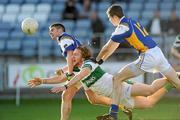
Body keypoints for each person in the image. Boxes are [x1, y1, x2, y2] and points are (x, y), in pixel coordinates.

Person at [43, 46, 179, 119]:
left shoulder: (89, 63)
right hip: (118, 99)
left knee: (150, 90)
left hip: (120, 88)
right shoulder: (75, 71)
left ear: (83, 57)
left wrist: (66, 85)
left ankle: (175, 76)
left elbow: (81, 75)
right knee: (149, 103)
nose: (73, 56)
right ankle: (172, 80)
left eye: (76, 54)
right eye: (73, 55)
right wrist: (43, 81)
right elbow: (62, 77)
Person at [95, 4, 180, 120]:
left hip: (148, 56)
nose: (110, 21)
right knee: (177, 82)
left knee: (117, 78)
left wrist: (96, 60)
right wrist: (102, 60)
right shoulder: (132, 21)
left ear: (114, 16)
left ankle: (113, 114)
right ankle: (177, 75)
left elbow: (106, 47)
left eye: (110, 18)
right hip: (158, 52)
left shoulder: (122, 27)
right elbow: (114, 46)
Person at [40, 23, 117, 120]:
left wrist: (69, 73)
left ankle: (116, 103)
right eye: (49, 30)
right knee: (93, 99)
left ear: (60, 30)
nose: (50, 32)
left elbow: (70, 55)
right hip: (83, 67)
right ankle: (116, 104)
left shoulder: (63, 39)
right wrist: (64, 69)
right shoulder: (66, 38)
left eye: (52, 29)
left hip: (81, 70)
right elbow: (73, 59)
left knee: (66, 96)